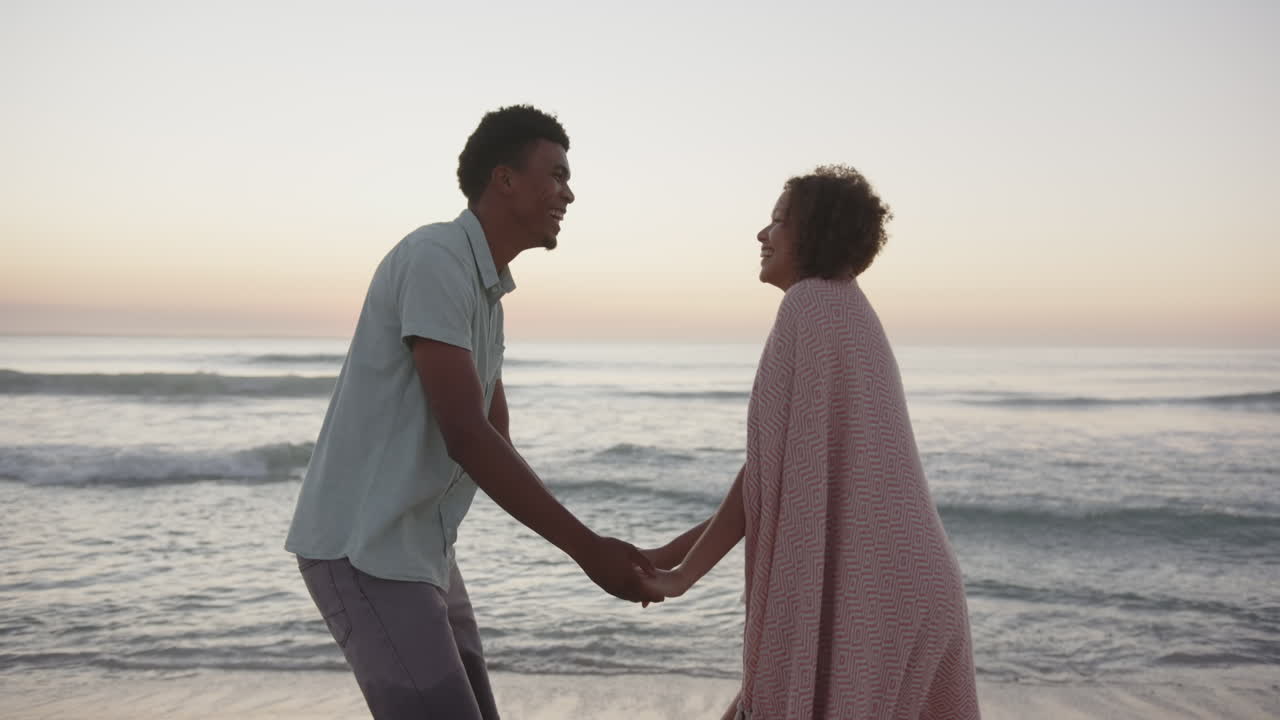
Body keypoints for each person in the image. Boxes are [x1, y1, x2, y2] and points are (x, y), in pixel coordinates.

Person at [285, 105, 661, 720]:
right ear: (504, 178)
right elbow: (467, 436)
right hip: (364, 550)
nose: (569, 192)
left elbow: (495, 439)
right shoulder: (437, 258)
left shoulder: (487, 290)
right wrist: (588, 551)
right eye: (557, 174)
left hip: (419, 550)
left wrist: (620, 550)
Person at [641, 166, 980, 719]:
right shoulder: (851, 310)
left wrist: (682, 574)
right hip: (915, 587)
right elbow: (770, 477)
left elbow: (762, 476)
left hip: (870, 595)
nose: (761, 235)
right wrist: (671, 558)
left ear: (812, 232)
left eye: (776, 221)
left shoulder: (806, 308)